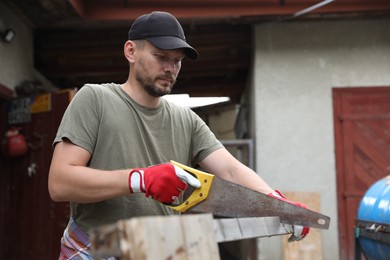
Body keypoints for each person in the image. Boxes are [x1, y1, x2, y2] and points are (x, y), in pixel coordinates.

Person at [48, 11, 309, 259]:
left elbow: (230, 170)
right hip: (95, 250)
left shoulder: (187, 120)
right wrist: (140, 179)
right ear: (131, 51)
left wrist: (278, 205)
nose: (170, 68)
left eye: (177, 61)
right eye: (161, 56)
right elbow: (60, 183)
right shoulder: (95, 99)